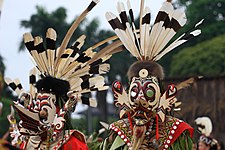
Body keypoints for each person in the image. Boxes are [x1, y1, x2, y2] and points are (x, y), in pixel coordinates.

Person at [4, 0, 121, 149]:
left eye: (44, 108)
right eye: (36, 105)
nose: (38, 112)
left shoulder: (73, 144)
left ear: (60, 110)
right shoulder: (27, 143)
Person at [100, 0, 203, 149]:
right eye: (135, 91)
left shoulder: (176, 131)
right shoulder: (119, 130)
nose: (141, 98)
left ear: (163, 95)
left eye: (148, 91)